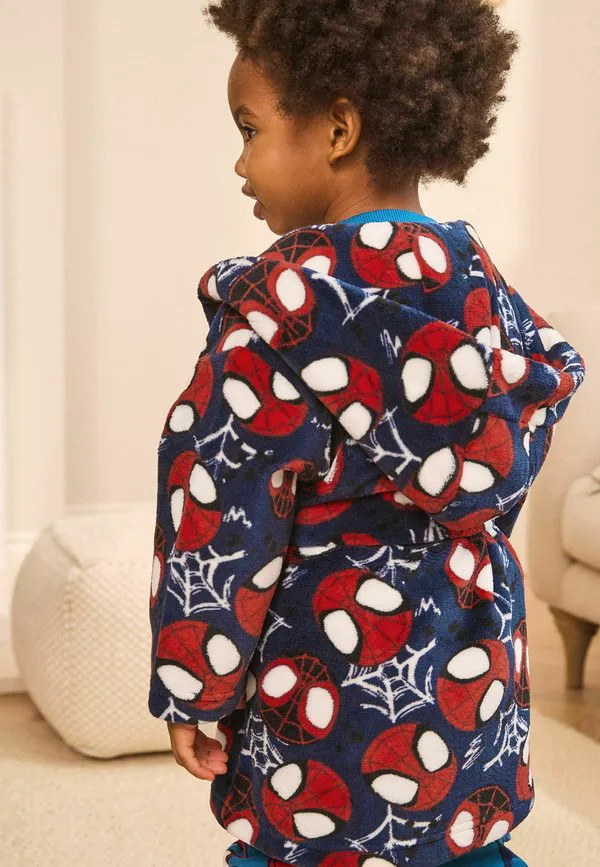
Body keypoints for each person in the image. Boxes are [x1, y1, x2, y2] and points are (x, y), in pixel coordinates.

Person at [147, 2, 587, 865]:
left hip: (319, 694)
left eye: (249, 129)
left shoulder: (271, 320)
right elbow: (507, 441)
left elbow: (221, 518)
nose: (239, 162)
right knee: (466, 847)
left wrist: (196, 686)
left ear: (339, 129)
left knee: (293, 848)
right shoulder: (482, 293)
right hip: (469, 678)